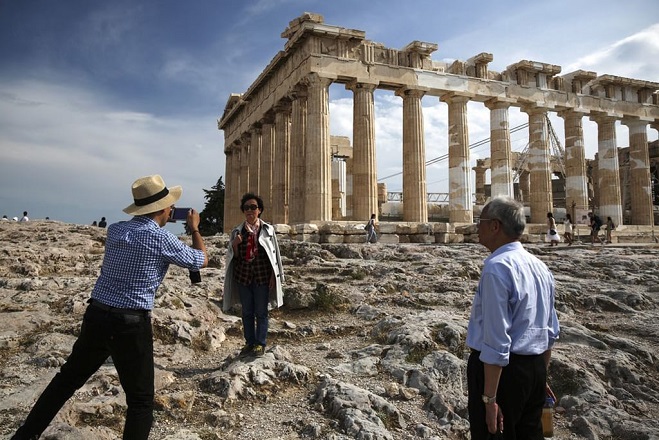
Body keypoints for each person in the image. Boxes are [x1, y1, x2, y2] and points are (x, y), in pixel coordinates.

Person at [11, 175, 208, 440]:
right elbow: (200, 259)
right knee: (140, 401)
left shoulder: (116, 229)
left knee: (66, 380)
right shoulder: (162, 239)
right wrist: (194, 228)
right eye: (169, 205)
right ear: (163, 209)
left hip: (97, 314)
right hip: (130, 323)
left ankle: (24, 436)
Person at [467, 196, 560, 439]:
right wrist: (541, 378)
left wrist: (489, 399)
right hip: (535, 368)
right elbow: (550, 332)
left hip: (504, 376)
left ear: (495, 226)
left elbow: (497, 341)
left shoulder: (497, 268)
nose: (477, 227)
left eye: (481, 221)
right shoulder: (540, 266)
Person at [223, 193, 284, 359]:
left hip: (262, 276)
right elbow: (234, 257)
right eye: (246, 208)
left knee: (261, 311)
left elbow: (274, 256)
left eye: (253, 207)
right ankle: (249, 342)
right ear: (243, 211)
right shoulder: (237, 231)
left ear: (260, 210)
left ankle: (260, 343)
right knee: (247, 312)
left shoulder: (268, 230)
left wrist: (274, 276)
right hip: (243, 276)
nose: (250, 210)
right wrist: (235, 245)